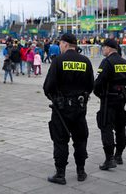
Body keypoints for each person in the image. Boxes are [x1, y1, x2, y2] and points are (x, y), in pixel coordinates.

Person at [43, 33, 94, 185]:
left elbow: (47, 86)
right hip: (79, 107)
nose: (59, 47)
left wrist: (55, 97)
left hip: (61, 108)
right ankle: (81, 171)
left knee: (60, 140)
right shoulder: (85, 61)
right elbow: (91, 85)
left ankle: (60, 174)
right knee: (80, 139)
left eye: (60, 44)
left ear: (65, 44)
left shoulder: (58, 61)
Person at [94, 38, 126, 170]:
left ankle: (109, 158)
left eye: (103, 47)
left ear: (108, 48)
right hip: (121, 98)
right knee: (120, 126)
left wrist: (101, 95)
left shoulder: (107, 62)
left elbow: (97, 83)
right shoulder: (125, 62)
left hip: (108, 99)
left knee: (106, 127)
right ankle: (119, 155)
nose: (102, 49)